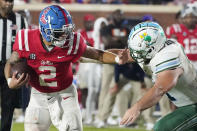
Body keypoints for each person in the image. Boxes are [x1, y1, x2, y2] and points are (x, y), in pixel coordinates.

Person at [4, 5, 124, 131]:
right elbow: (11, 62)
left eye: (67, 30)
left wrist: (117, 59)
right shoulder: (26, 40)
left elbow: (98, 54)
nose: (65, 35)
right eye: (60, 32)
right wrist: (9, 81)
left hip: (65, 95)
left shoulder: (73, 42)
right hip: (38, 96)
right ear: (45, 30)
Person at [120, 21, 197, 131]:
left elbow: (160, 88)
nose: (133, 53)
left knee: (162, 128)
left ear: (151, 49)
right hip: (189, 103)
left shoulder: (168, 55)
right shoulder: (154, 50)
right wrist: (94, 54)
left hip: (194, 104)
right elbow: (121, 55)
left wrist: (137, 107)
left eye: (137, 50)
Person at [95, 9, 130, 127]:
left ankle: (122, 117)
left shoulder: (127, 29)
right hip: (108, 61)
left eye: (121, 14)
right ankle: (100, 117)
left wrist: (116, 40)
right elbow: (107, 41)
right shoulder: (106, 28)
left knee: (121, 90)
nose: (119, 17)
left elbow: (129, 43)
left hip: (122, 63)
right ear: (112, 16)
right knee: (105, 89)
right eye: (117, 14)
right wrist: (121, 40)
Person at [0, 0, 28, 130]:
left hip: (10, 68)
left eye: (11, 1)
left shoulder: (20, 20)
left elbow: (27, 44)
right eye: (6, 0)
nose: (9, 3)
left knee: (8, 104)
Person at [166, 2, 197, 70]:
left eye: (193, 17)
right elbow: (170, 47)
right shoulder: (176, 29)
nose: (190, 19)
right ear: (183, 19)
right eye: (187, 17)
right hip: (183, 62)